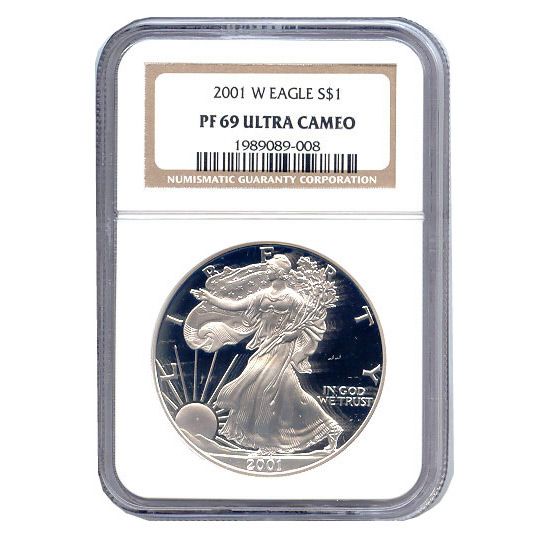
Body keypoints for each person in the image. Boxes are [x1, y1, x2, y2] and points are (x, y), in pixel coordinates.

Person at [190, 254, 342, 454]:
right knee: (291, 392)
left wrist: (293, 333)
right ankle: (331, 428)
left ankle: (267, 443)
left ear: (279, 272)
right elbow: (235, 306)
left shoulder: (294, 298)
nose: (267, 270)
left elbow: (311, 322)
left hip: (282, 347)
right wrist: (211, 299)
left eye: (270, 268)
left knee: (263, 388)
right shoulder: (262, 295)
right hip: (266, 345)